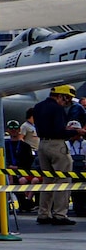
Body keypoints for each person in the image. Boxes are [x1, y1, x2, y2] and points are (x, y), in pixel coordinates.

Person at [28, 86, 77, 224]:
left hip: (42, 145)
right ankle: (60, 214)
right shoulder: (57, 108)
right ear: (61, 96)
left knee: (47, 179)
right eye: (67, 98)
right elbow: (59, 131)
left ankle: (44, 213)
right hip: (57, 145)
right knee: (63, 179)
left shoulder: (38, 107)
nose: (67, 102)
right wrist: (75, 132)